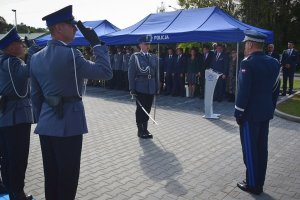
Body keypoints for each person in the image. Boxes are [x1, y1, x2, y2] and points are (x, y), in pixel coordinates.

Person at [30, 5, 112, 200]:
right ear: (58, 28)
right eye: (71, 25)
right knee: (68, 179)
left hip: (46, 125)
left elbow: (36, 95)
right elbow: (105, 73)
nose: (75, 29)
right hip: (69, 124)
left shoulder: (35, 58)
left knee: (51, 176)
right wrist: (97, 45)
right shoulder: (72, 55)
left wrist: (41, 118)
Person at [234, 30, 280, 195]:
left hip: (249, 115)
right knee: (262, 149)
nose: (245, 47)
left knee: (250, 150)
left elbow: (243, 92)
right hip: (265, 113)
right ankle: (259, 181)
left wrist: (238, 113)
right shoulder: (274, 62)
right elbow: (275, 89)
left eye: (246, 44)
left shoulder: (248, 63)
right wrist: (270, 108)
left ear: (251, 44)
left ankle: (253, 184)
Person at [0, 27, 38, 200]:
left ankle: (8, 187)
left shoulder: (2, 61)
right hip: (17, 116)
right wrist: (35, 51)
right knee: (18, 157)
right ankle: (17, 193)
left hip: (5, 115)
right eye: (20, 43)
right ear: (11, 47)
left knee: (7, 156)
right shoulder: (13, 62)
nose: (23, 46)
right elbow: (28, 72)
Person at [128, 35, 159, 139]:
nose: (147, 45)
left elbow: (157, 73)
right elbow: (131, 74)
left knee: (148, 109)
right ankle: (140, 130)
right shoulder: (135, 56)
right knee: (141, 109)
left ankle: (145, 129)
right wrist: (132, 89)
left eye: (148, 44)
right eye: (146, 44)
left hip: (151, 86)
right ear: (140, 45)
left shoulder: (153, 57)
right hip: (140, 87)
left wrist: (157, 86)